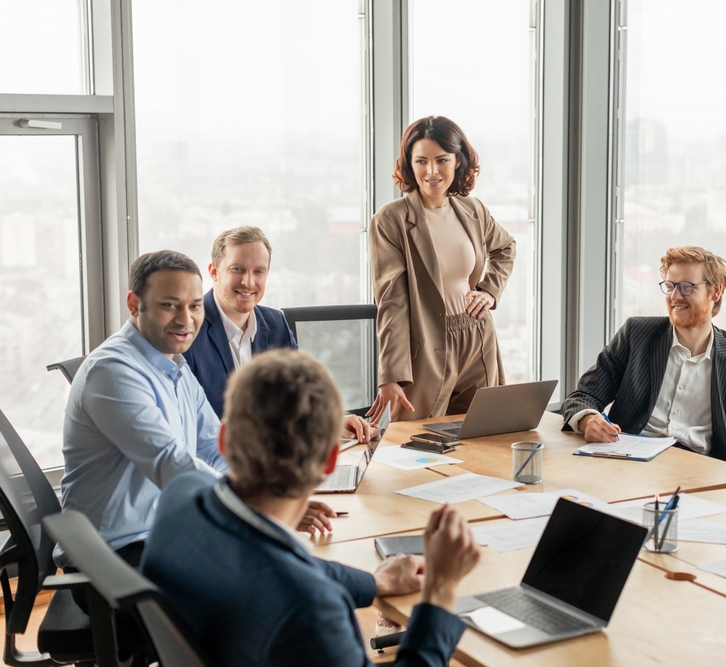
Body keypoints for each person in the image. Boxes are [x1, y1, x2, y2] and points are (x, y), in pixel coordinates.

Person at [141, 350, 481, 667]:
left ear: (224, 440)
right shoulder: (310, 608)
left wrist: (373, 583)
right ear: (330, 461)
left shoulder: (181, 499)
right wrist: (439, 593)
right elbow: (293, 581)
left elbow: (284, 566)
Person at [60, 251, 337, 570]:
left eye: (194, 306)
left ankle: (366, 586)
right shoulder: (112, 371)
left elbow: (212, 449)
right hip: (114, 561)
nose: (185, 319)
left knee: (286, 558)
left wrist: (275, 499)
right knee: (272, 572)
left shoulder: (174, 364)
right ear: (134, 304)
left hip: (164, 535)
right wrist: (268, 510)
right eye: (169, 305)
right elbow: (173, 465)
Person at [561, 246, 726, 469]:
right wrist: (589, 419)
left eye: (687, 287)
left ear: (715, 292)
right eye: (670, 286)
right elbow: (583, 395)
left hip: (702, 471)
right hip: (626, 463)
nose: (675, 297)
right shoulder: (636, 334)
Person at [366, 116, 516, 422]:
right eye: (421, 161)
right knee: (416, 443)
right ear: (409, 164)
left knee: (483, 435)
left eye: (441, 160)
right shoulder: (390, 221)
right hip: (427, 346)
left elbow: (506, 247)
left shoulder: (472, 210)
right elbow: (392, 302)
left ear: (457, 162)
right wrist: (391, 374)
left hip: (476, 335)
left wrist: (489, 291)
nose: (431, 171)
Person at [184, 226, 373, 441]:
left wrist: (334, 421)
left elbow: (298, 394)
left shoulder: (276, 324)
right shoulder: (188, 329)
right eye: (237, 269)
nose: (248, 282)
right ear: (214, 272)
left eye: (258, 271)